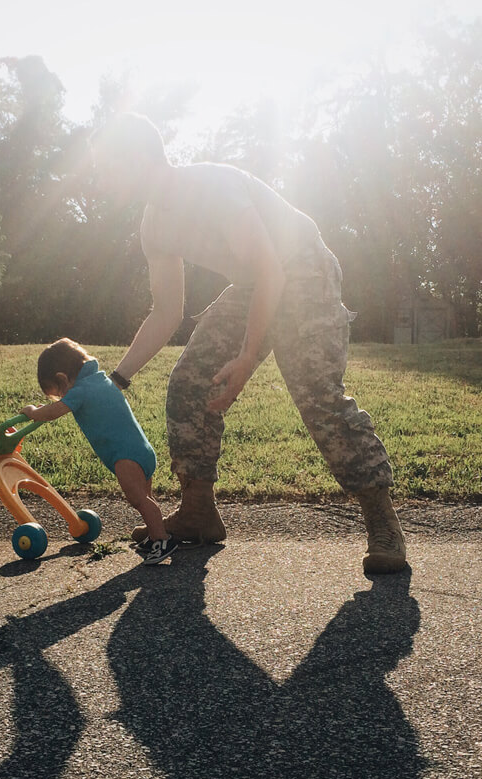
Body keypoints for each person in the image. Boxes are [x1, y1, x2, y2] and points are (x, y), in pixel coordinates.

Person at [90, 113, 408, 574]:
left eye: (107, 167)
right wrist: (117, 378)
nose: (100, 180)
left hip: (302, 269)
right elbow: (167, 312)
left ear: (138, 159)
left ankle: (381, 519)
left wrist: (245, 357)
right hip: (253, 283)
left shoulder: (210, 189)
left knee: (316, 392)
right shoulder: (153, 225)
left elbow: (271, 270)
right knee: (189, 381)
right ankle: (198, 511)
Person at [20, 338, 177, 565]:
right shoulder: (101, 380)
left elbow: (53, 413)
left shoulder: (80, 390)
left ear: (62, 379)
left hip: (125, 457)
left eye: (58, 393)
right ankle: (155, 535)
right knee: (146, 497)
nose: (61, 398)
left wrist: (33, 412)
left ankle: (162, 539)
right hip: (140, 449)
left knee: (139, 499)